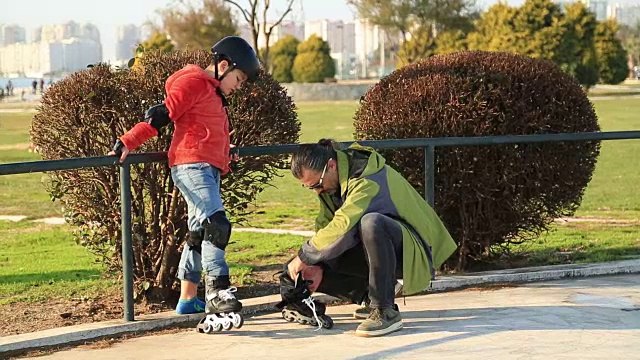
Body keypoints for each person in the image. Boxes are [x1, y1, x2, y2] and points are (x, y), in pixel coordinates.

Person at [108, 36, 260, 319]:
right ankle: (217, 291)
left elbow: (206, 129)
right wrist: (129, 140)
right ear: (223, 65)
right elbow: (162, 114)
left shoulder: (213, 92)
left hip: (207, 167)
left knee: (199, 232)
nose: (238, 87)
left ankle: (187, 299)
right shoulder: (192, 82)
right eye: (238, 79)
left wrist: (226, 152)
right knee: (217, 224)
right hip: (192, 166)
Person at [279, 139, 457, 337]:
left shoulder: (367, 177)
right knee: (305, 266)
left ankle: (385, 310)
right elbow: (326, 229)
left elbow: (343, 225)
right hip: (378, 250)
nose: (318, 191)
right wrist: (314, 265)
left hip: (414, 252)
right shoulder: (332, 183)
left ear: (331, 165)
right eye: (310, 187)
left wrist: (305, 256)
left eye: (318, 184)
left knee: (371, 223)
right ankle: (369, 298)